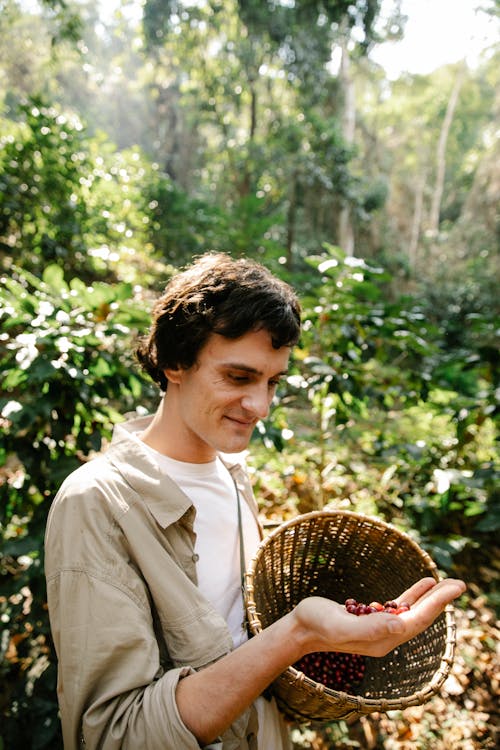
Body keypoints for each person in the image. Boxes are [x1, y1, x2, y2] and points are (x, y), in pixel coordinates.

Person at [44, 252, 466, 750]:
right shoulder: (97, 504)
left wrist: (319, 642)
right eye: (239, 378)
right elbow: (114, 735)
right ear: (175, 361)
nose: (261, 406)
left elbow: (244, 646)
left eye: (272, 383)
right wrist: (297, 634)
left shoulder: (232, 474)